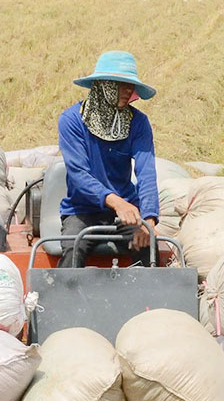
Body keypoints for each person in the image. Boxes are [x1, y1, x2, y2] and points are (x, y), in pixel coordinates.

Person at [57, 50, 160, 269]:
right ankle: (65, 300)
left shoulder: (138, 123)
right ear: (104, 85)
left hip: (126, 206)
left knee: (147, 245)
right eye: (121, 84)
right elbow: (78, 174)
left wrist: (149, 219)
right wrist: (116, 202)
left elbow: (146, 171)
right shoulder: (72, 121)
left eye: (130, 85)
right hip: (82, 209)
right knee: (72, 247)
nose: (128, 90)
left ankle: (150, 303)